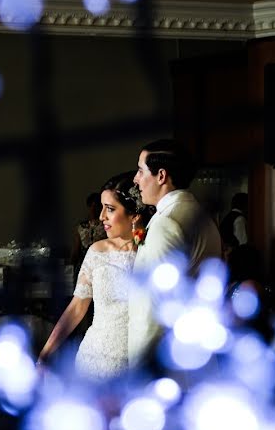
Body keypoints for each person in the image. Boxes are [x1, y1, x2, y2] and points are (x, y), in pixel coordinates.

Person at [38, 173, 150, 378]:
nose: (101, 217)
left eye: (110, 209)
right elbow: (76, 308)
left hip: (137, 364)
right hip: (94, 360)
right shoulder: (97, 251)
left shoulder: (152, 251)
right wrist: (46, 354)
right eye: (101, 208)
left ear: (134, 214)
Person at [129, 139, 222, 365]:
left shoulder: (167, 222)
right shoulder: (202, 218)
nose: (136, 179)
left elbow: (156, 304)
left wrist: (144, 365)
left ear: (161, 176)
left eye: (141, 171)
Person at [71, 192, 105, 270]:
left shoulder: (105, 225)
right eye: (91, 206)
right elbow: (76, 250)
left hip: (100, 264)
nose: (93, 209)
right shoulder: (81, 227)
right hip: (83, 265)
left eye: (96, 206)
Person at [220, 192, 249, 258]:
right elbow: (243, 243)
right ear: (244, 204)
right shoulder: (240, 219)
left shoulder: (227, 217)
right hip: (235, 257)